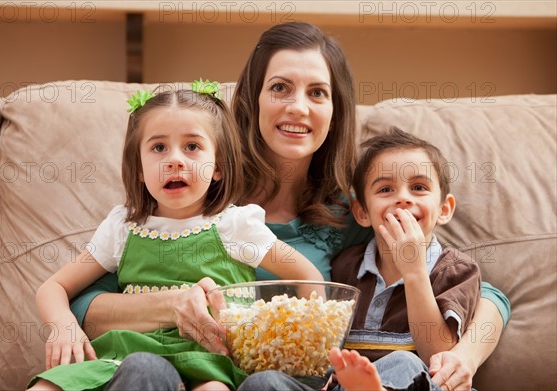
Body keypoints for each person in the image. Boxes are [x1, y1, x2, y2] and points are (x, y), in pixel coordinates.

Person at [68, 22, 510, 391]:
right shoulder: (199, 190)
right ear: (250, 99)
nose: (297, 107)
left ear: (335, 112)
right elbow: (85, 301)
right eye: (280, 87)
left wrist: (462, 356)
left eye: (317, 93)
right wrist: (172, 304)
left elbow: (474, 287)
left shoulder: (350, 214)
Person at [27, 85, 325, 391]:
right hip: (124, 356)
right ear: (140, 170)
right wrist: (63, 326)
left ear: (218, 166)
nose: (175, 161)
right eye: (159, 148)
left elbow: (308, 277)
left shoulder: (236, 225)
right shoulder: (123, 226)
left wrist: (302, 347)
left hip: (206, 361)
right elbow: (54, 286)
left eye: (192, 147)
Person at [327, 127, 481, 391]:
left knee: (404, 363)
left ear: (444, 209)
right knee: (265, 380)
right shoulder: (345, 267)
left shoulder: (457, 270)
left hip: (419, 382)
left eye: (419, 187)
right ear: (362, 212)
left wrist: (414, 272)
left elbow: (437, 354)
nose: (403, 198)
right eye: (386, 189)